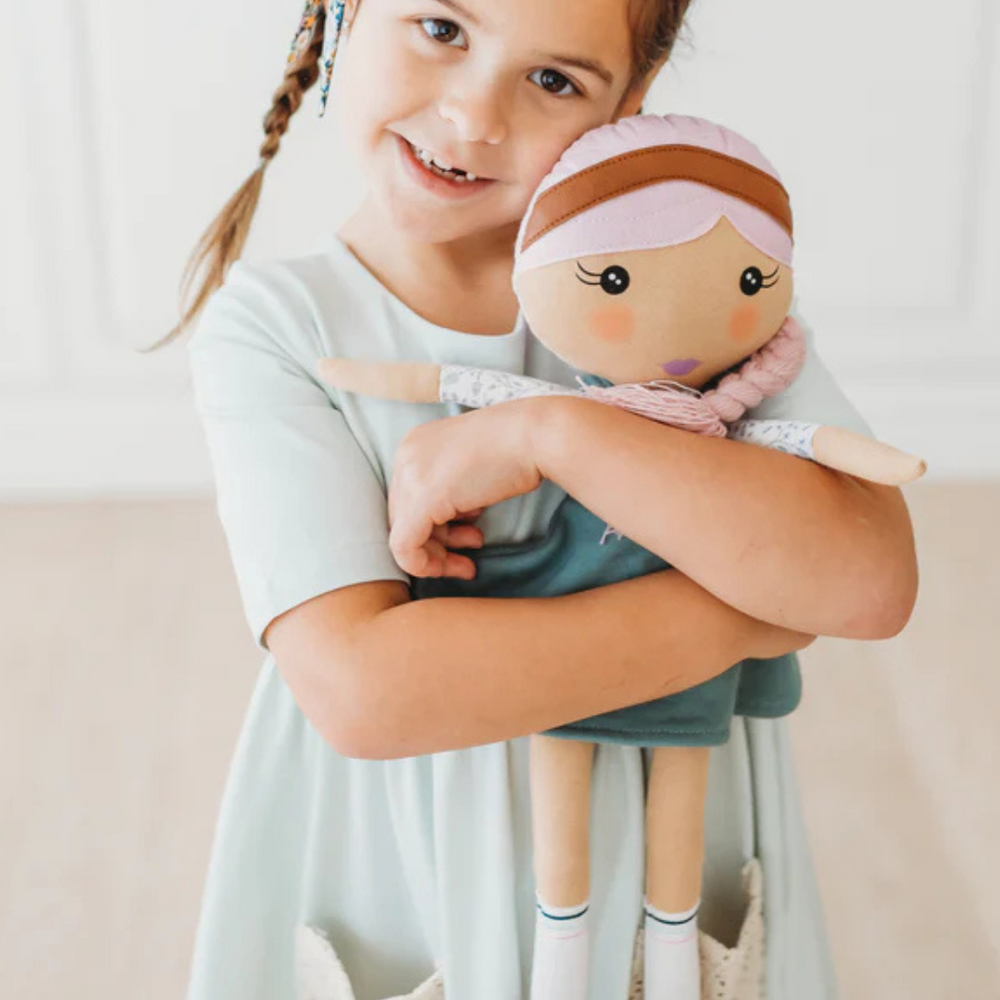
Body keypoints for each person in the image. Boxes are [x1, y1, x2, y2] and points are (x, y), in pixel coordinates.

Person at [154, 1, 918, 997]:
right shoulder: (280, 329)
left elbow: (867, 580)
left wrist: (549, 432)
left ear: (628, 105)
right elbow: (365, 692)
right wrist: (745, 610)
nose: (475, 116)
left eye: (554, 80)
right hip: (411, 859)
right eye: (441, 28)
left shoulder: (686, 288)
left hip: (664, 850)